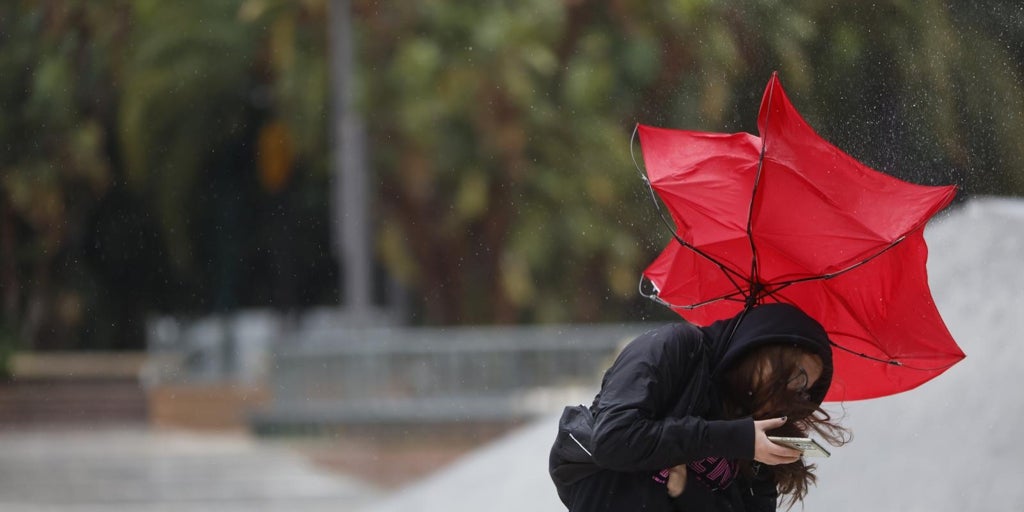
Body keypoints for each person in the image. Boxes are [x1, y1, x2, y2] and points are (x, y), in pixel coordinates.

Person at [548, 302, 849, 511]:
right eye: (798, 376)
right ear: (766, 344)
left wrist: (688, 486)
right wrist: (734, 438)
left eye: (805, 391)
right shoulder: (676, 348)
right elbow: (612, 440)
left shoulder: (762, 432)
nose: (795, 393)